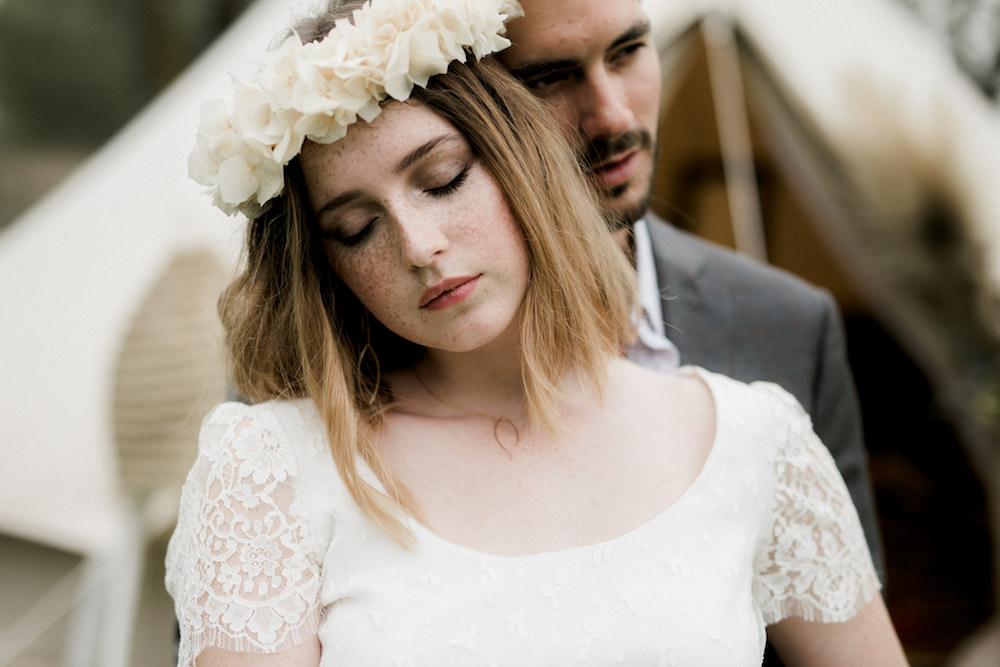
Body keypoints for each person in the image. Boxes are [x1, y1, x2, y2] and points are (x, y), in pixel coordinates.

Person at [165, 0, 908, 664]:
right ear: (327, 265)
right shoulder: (271, 469)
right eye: (356, 228)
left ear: (522, 158)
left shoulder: (753, 437)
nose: (418, 245)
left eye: (444, 179)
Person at [496, 0, 886, 579]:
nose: (612, 116)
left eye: (627, 51)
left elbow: (844, 597)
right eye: (550, 77)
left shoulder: (792, 326)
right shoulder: (427, 352)